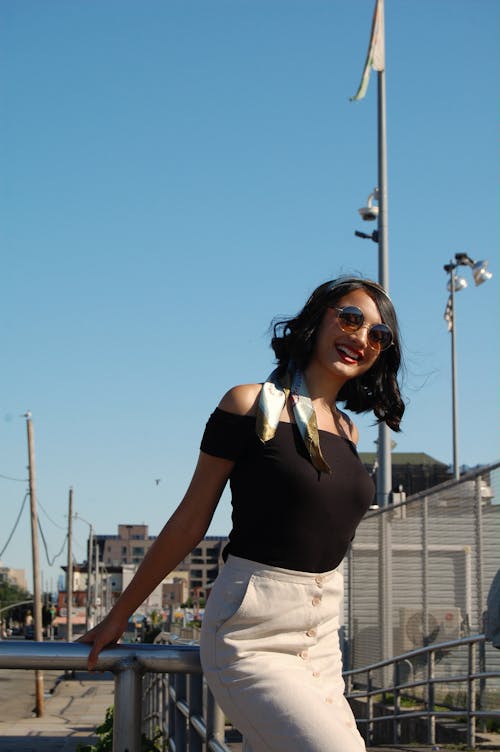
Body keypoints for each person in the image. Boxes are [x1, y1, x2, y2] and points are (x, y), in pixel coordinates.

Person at [80, 276, 404, 752]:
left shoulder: (349, 432)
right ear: (318, 320)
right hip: (252, 633)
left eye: (378, 334)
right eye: (351, 318)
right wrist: (119, 616)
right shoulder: (249, 404)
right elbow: (191, 521)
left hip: (320, 641)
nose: (361, 338)